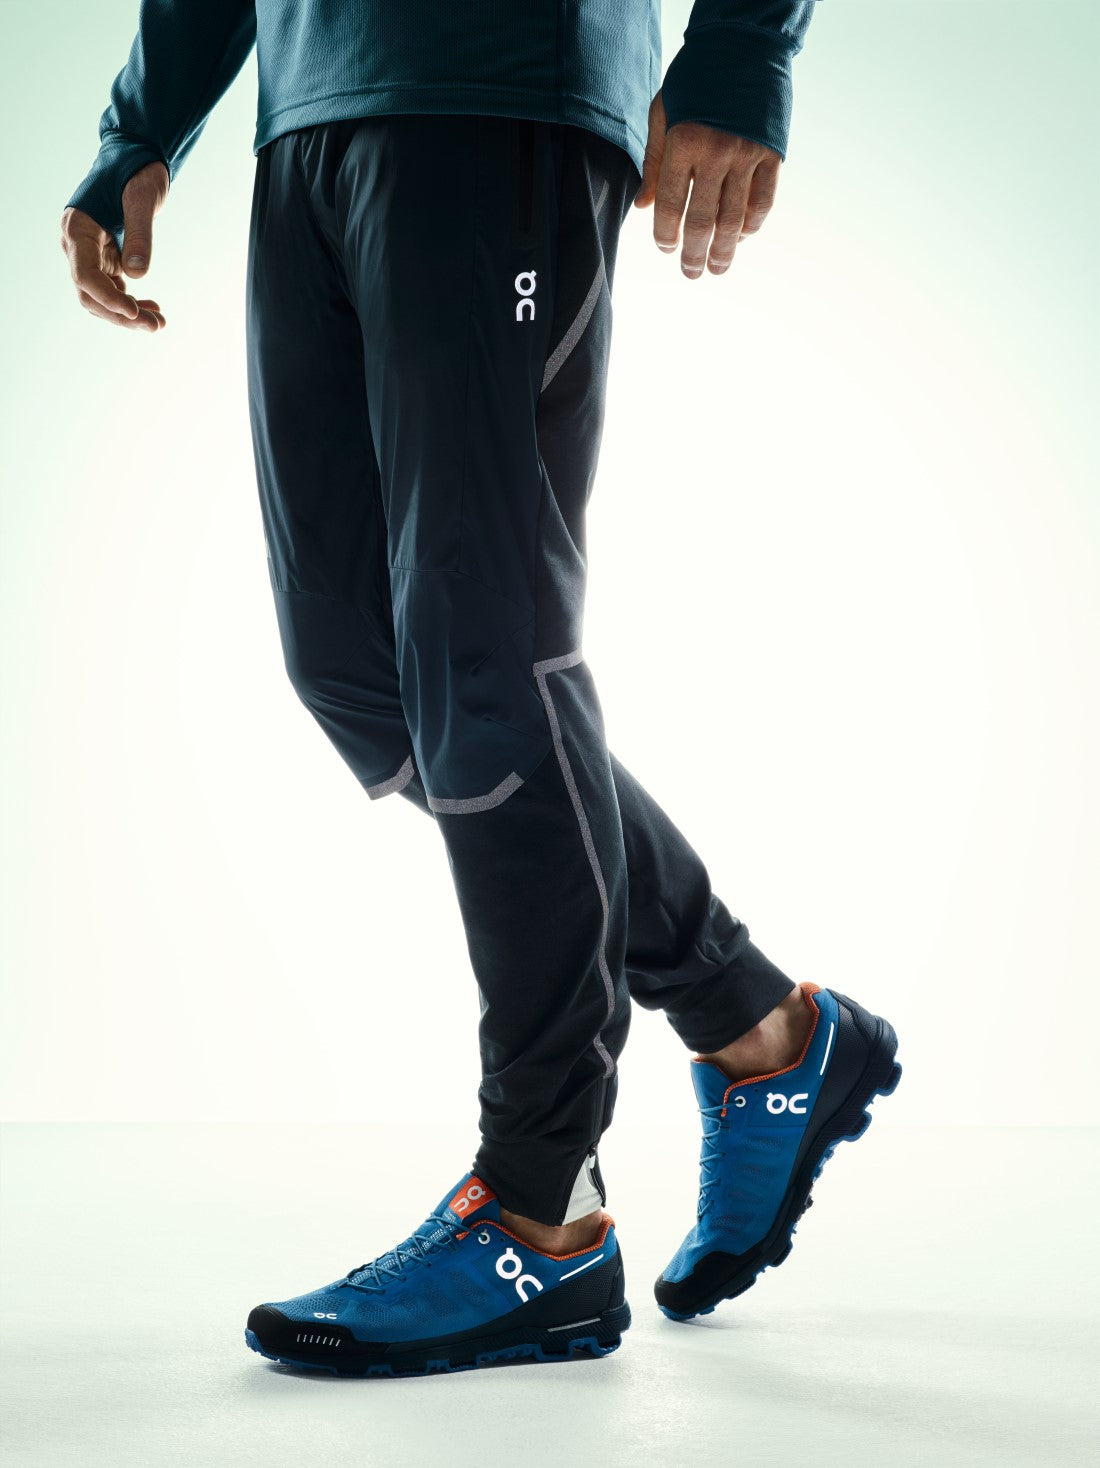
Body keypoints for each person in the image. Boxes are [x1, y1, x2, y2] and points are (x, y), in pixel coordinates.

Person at [60, 0, 901, 1377]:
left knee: (484, 651)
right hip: (312, 114)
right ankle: (762, 1027)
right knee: (358, 669)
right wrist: (143, 124)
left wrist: (744, 51)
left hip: (501, 85)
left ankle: (539, 1210)